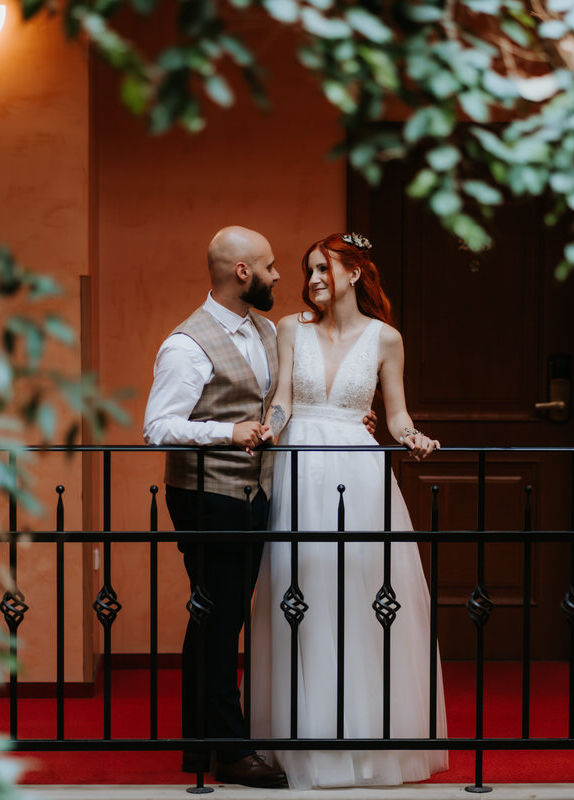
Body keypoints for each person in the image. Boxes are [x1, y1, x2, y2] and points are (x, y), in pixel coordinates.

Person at [249, 232, 449, 789]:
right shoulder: (291, 328)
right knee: (300, 592)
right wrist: (272, 427)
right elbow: (284, 396)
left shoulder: (387, 339)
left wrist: (414, 437)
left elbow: (396, 415)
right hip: (299, 470)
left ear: (356, 273)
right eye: (308, 269)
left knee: (364, 593)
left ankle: (367, 743)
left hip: (359, 474)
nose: (312, 279)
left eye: (324, 268)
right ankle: (304, 741)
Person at [142, 225, 288, 789]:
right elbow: (157, 428)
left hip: (253, 491)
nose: (279, 276)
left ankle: (200, 743)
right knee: (220, 615)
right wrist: (229, 433)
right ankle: (228, 749)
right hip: (206, 495)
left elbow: (273, 403)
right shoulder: (186, 344)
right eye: (271, 266)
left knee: (216, 614)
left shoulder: (267, 328)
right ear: (242, 273)